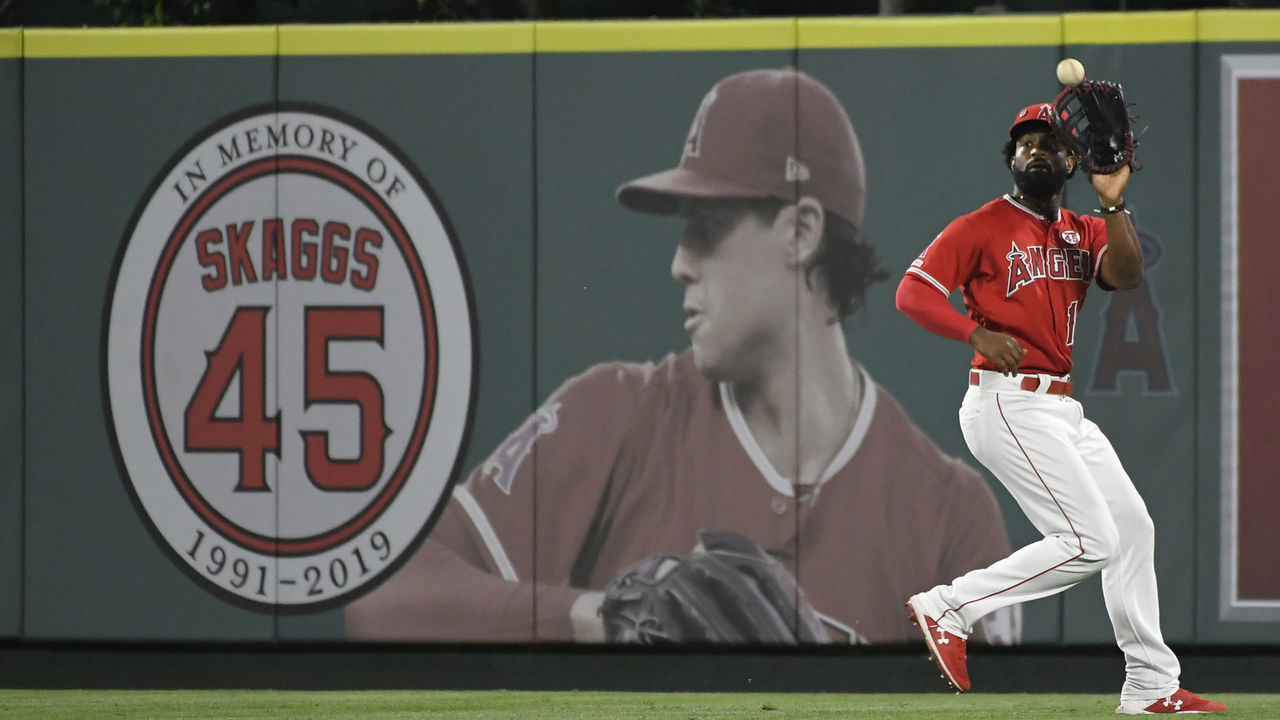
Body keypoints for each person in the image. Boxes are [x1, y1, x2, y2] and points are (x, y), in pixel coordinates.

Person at [345, 68, 1019, 646]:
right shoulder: (615, 416)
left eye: (706, 231)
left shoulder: (950, 519)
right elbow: (383, 595)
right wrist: (600, 617)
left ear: (801, 232)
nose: (678, 265)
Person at [896, 102, 1226, 713]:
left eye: (1050, 142)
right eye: (1025, 143)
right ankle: (950, 606)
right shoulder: (980, 225)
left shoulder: (1085, 228)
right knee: (1089, 540)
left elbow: (1125, 276)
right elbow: (912, 292)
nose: (1036, 150)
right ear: (1011, 159)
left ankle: (1151, 684)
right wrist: (973, 333)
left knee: (1131, 530)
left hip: (1061, 410)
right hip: (1005, 402)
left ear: (1073, 159)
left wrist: (1113, 201)